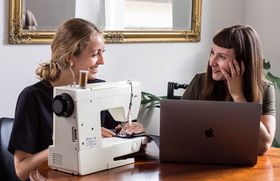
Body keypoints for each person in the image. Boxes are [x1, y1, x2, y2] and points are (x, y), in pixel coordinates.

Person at [8, 18, 144, 180]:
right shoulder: (32, 97)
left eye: (102, 52)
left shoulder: (99, 90)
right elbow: (22, 170)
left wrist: (132, 129)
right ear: (70, 57)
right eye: (95, 54)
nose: (102, 61)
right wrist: (70, 143)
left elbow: (118, 135)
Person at [182, 25, 276, 155]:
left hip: (240, 167)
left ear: (242, 62)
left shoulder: (265, 88)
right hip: (200, 158)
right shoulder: (200, 81)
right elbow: (178, 131)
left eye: (221, 56)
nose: (212, 62)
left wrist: (238, 97)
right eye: (212, 53)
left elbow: (263, 146)